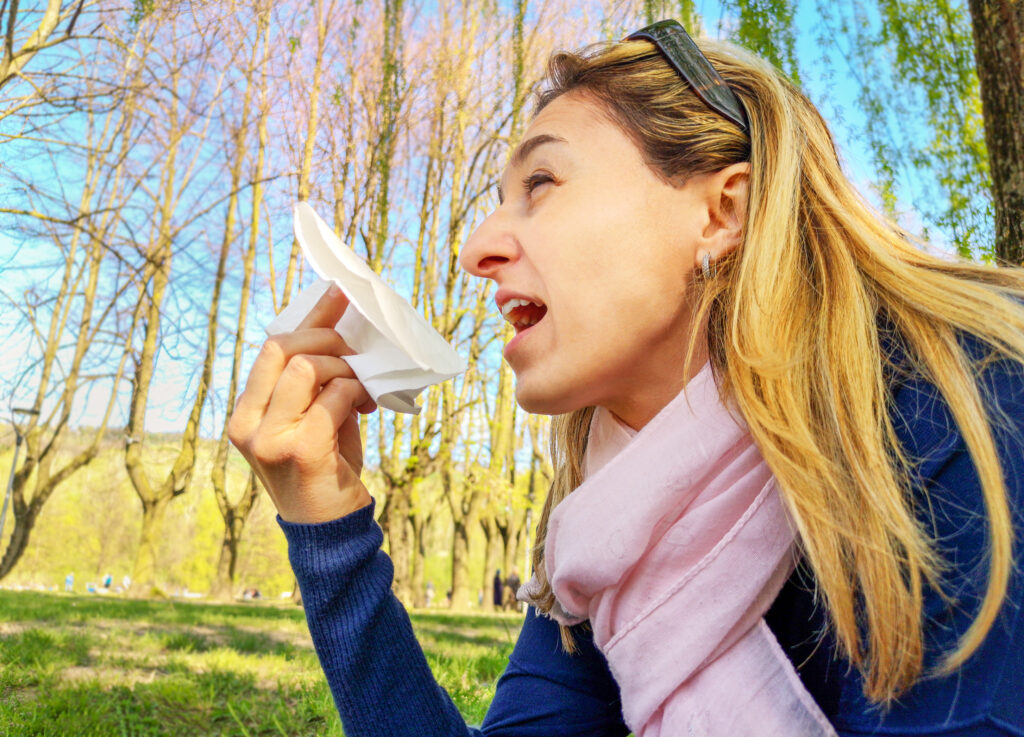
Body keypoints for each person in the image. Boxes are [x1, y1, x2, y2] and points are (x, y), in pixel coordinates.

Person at [228, 18, 1024, 737]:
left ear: (721, 214)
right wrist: (327, 524)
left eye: (541, 184)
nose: (476, 250)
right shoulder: (607, 521)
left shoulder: (969, 398)